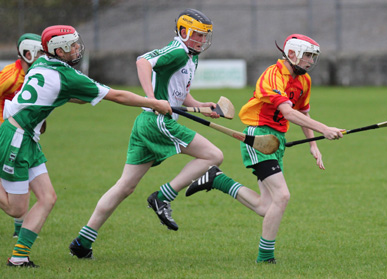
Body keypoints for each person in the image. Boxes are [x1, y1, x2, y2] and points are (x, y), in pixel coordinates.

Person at [0, 25, 171, 268]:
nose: (78, 47)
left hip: (26, 136)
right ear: (59, 51)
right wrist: (154, 103)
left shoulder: (41, 63)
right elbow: (118, 96)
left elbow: (70, 95)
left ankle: (18, 258)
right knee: (17, 210)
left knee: (47, 198)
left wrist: (93, 94)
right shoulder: (66, 75)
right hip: (16, 137)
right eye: (73, 45)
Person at [69, 8, 223, 259]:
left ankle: (82, 242)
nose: (202, 41)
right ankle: (162, 197)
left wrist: (200, 106)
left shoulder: (191, 56)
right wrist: (150, 99)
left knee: (125, 186)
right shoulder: (177, 51)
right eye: (197, 35)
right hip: (156, 121)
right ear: (183, 32)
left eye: (205, 36)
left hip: (147, 122)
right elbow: (143, 61)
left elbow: (179, 94)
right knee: (213, 155)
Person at [185, 34, 344, 264]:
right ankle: (265, 257)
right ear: (292, 54)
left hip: (276, 141)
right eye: (307, 55)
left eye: (313, 56)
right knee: (282, 196)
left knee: (265, 206)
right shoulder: (272, 76)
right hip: (258, 137)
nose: (310, 61)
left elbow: (302, 112)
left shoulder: (304, 81)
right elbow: (289, 113)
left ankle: (217, 179)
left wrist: (313, 144)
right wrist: (324, 129)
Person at [0, 33, 44, 239]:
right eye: (41, 53)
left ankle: (19, 228)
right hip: (6, 134)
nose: (45, 57)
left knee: (22, 176)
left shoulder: (35, 76)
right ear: (28, 54)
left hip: (22, 134)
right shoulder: (10, 75)